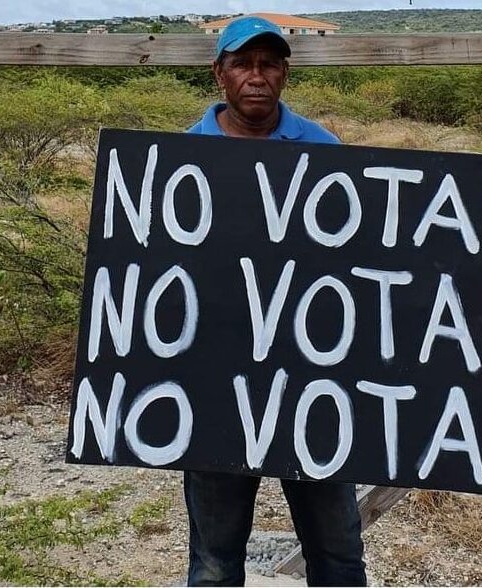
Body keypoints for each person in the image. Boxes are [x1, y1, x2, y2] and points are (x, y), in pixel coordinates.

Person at [184, 16, 366, 587]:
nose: (255, 76)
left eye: (268, 63)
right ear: (220, 74)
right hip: (214, 384)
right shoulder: (181, 156)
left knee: (337, 555)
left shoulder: (323, 147)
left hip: (312, 380)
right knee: (214, 563)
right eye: (242, 63)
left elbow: (353, 262)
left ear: (284, 72)